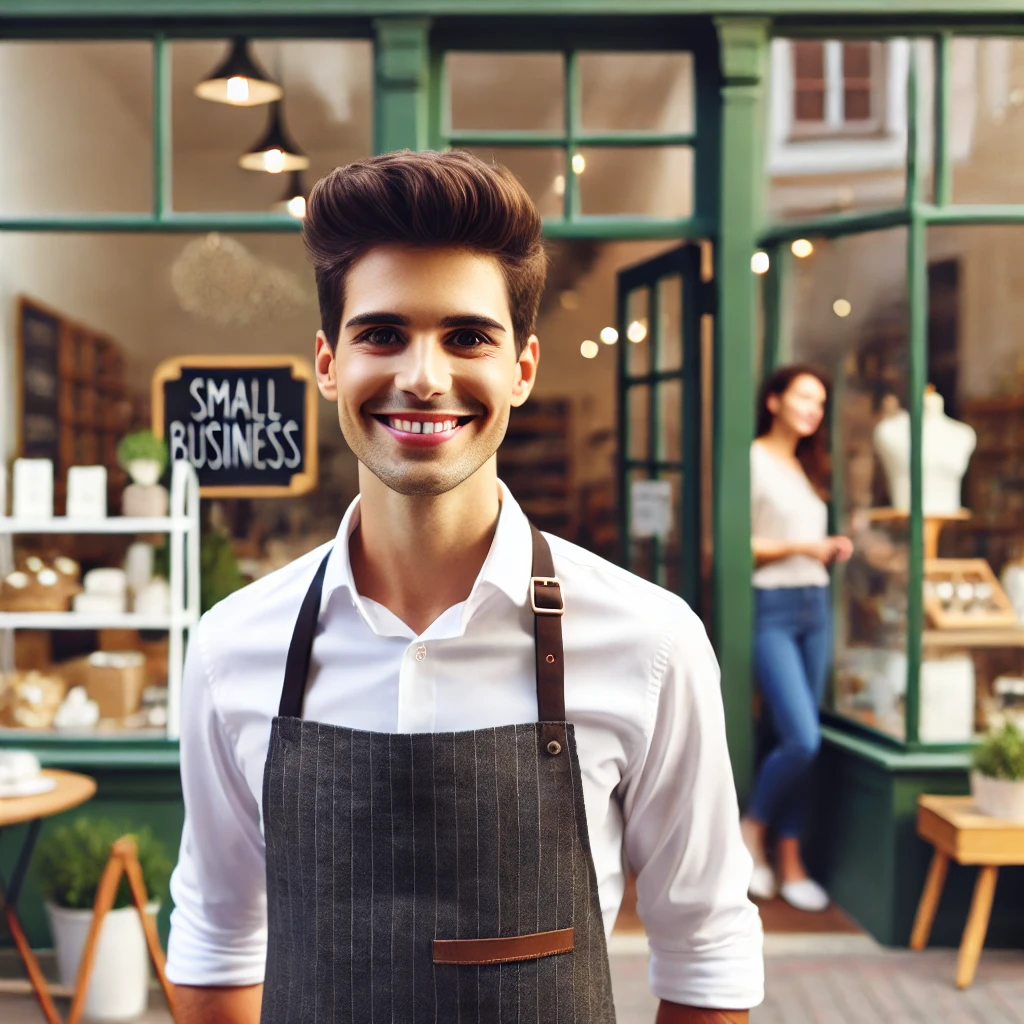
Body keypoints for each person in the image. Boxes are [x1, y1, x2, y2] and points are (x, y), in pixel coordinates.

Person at [166, 150, 763, 1023]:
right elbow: (216, 936)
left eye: (466, 336)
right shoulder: (230, 647)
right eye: (382, 333)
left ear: (521, 368)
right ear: (329, 362)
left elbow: (706, 946)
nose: (423, 375)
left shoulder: (651, 641)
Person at [740, 365, 853, 913]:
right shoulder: (754, 459)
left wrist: (831, 548)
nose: (814, 409)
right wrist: (805, 549)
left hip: (816, 606)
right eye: (806, 396)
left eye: (821, 401)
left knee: (803, 738)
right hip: (772, 607)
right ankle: (751, 832)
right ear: (775, 399)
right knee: (801, 738)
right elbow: (738, 543)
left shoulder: (809, 466)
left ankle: (790, 862)